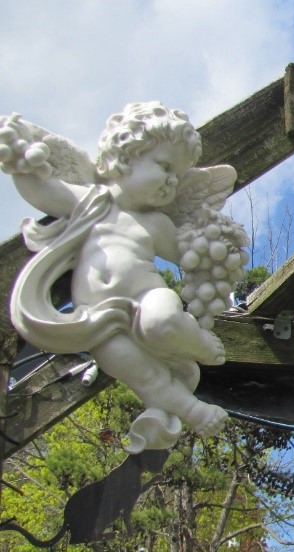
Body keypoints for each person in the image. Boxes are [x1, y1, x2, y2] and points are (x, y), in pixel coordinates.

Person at [4, 102, 229, 451]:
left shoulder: (156, 223)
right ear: (125, 157)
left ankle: (199, 344)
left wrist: (217, 241)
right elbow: (44, 192)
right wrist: (21, 166)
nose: (172, 181)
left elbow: (192, 256)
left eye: (178, 177)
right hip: (96, 319)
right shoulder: (91, 201)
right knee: (139, 373)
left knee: (161, 322)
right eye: (165, 166)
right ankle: (195, 411)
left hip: (147, 298)